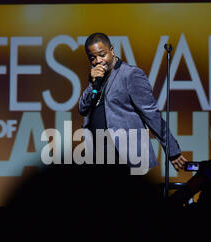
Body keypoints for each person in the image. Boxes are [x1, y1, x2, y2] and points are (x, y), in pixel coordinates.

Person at [79, 32, 187, 171]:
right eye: (92, 58)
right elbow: (82, 109)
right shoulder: (96, 78)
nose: (98, 61)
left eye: (102, 54)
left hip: (125, 154)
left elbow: (151, 114)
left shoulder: (130, 74)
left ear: (111, 50)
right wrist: (92, 84)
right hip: (98, 155)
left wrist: (172, 150)